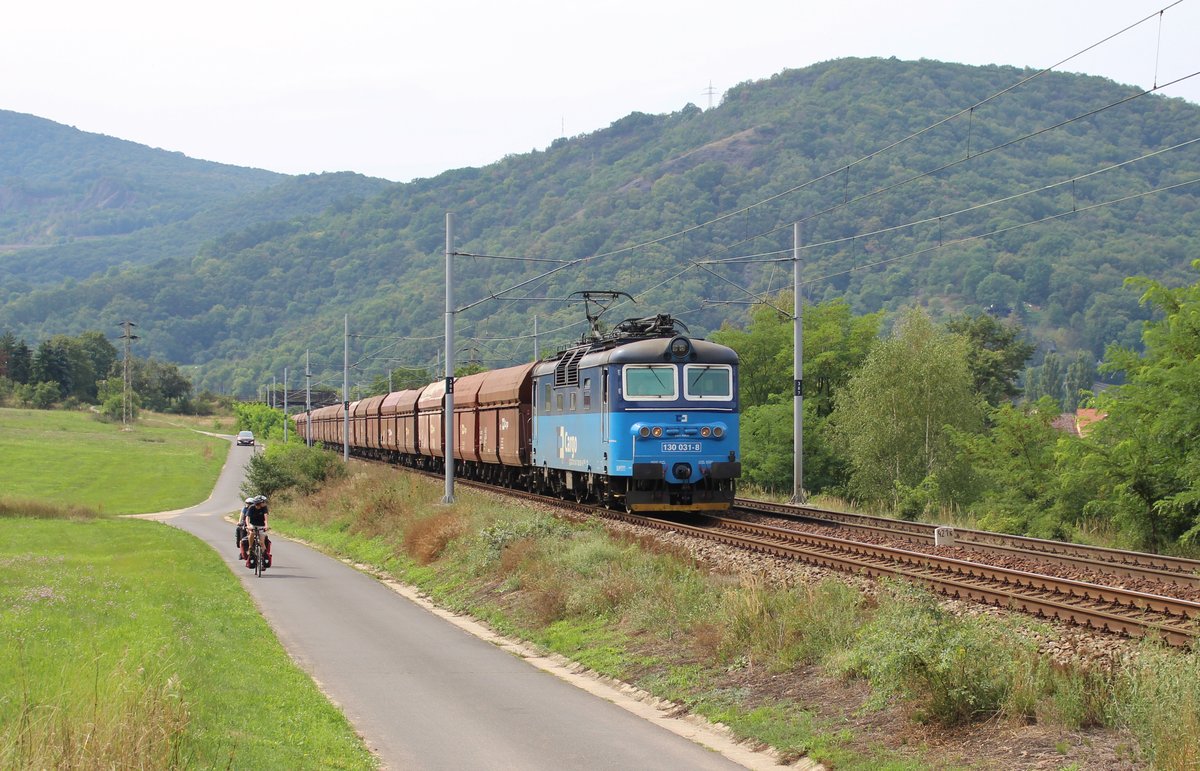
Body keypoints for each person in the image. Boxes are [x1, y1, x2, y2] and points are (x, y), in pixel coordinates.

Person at [241, 495, 272, 568]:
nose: (265, 503)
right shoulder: (251, 507)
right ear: (259, 502)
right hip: (253, 524)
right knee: (251, 533)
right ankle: (250, 547)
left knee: (262, 542)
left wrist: (266, 525)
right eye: (263, 502)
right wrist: (248, 525)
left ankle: (264, 557)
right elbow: (247, 518)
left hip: (261, 525)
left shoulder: (264, 508)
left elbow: (265, 517)